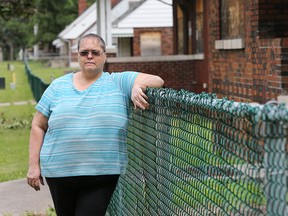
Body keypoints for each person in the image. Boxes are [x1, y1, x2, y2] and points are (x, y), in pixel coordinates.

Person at [27, 33, 164, 216]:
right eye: (84, 53)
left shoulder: (118, 82)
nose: (89, 56)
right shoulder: (57, 86)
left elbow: (157, 80)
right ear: (78, 56)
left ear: (104, 56)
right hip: (59, 172)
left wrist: (136, 87)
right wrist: (33, 165)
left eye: (95, 52)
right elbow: (38, 125)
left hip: (102, 174)